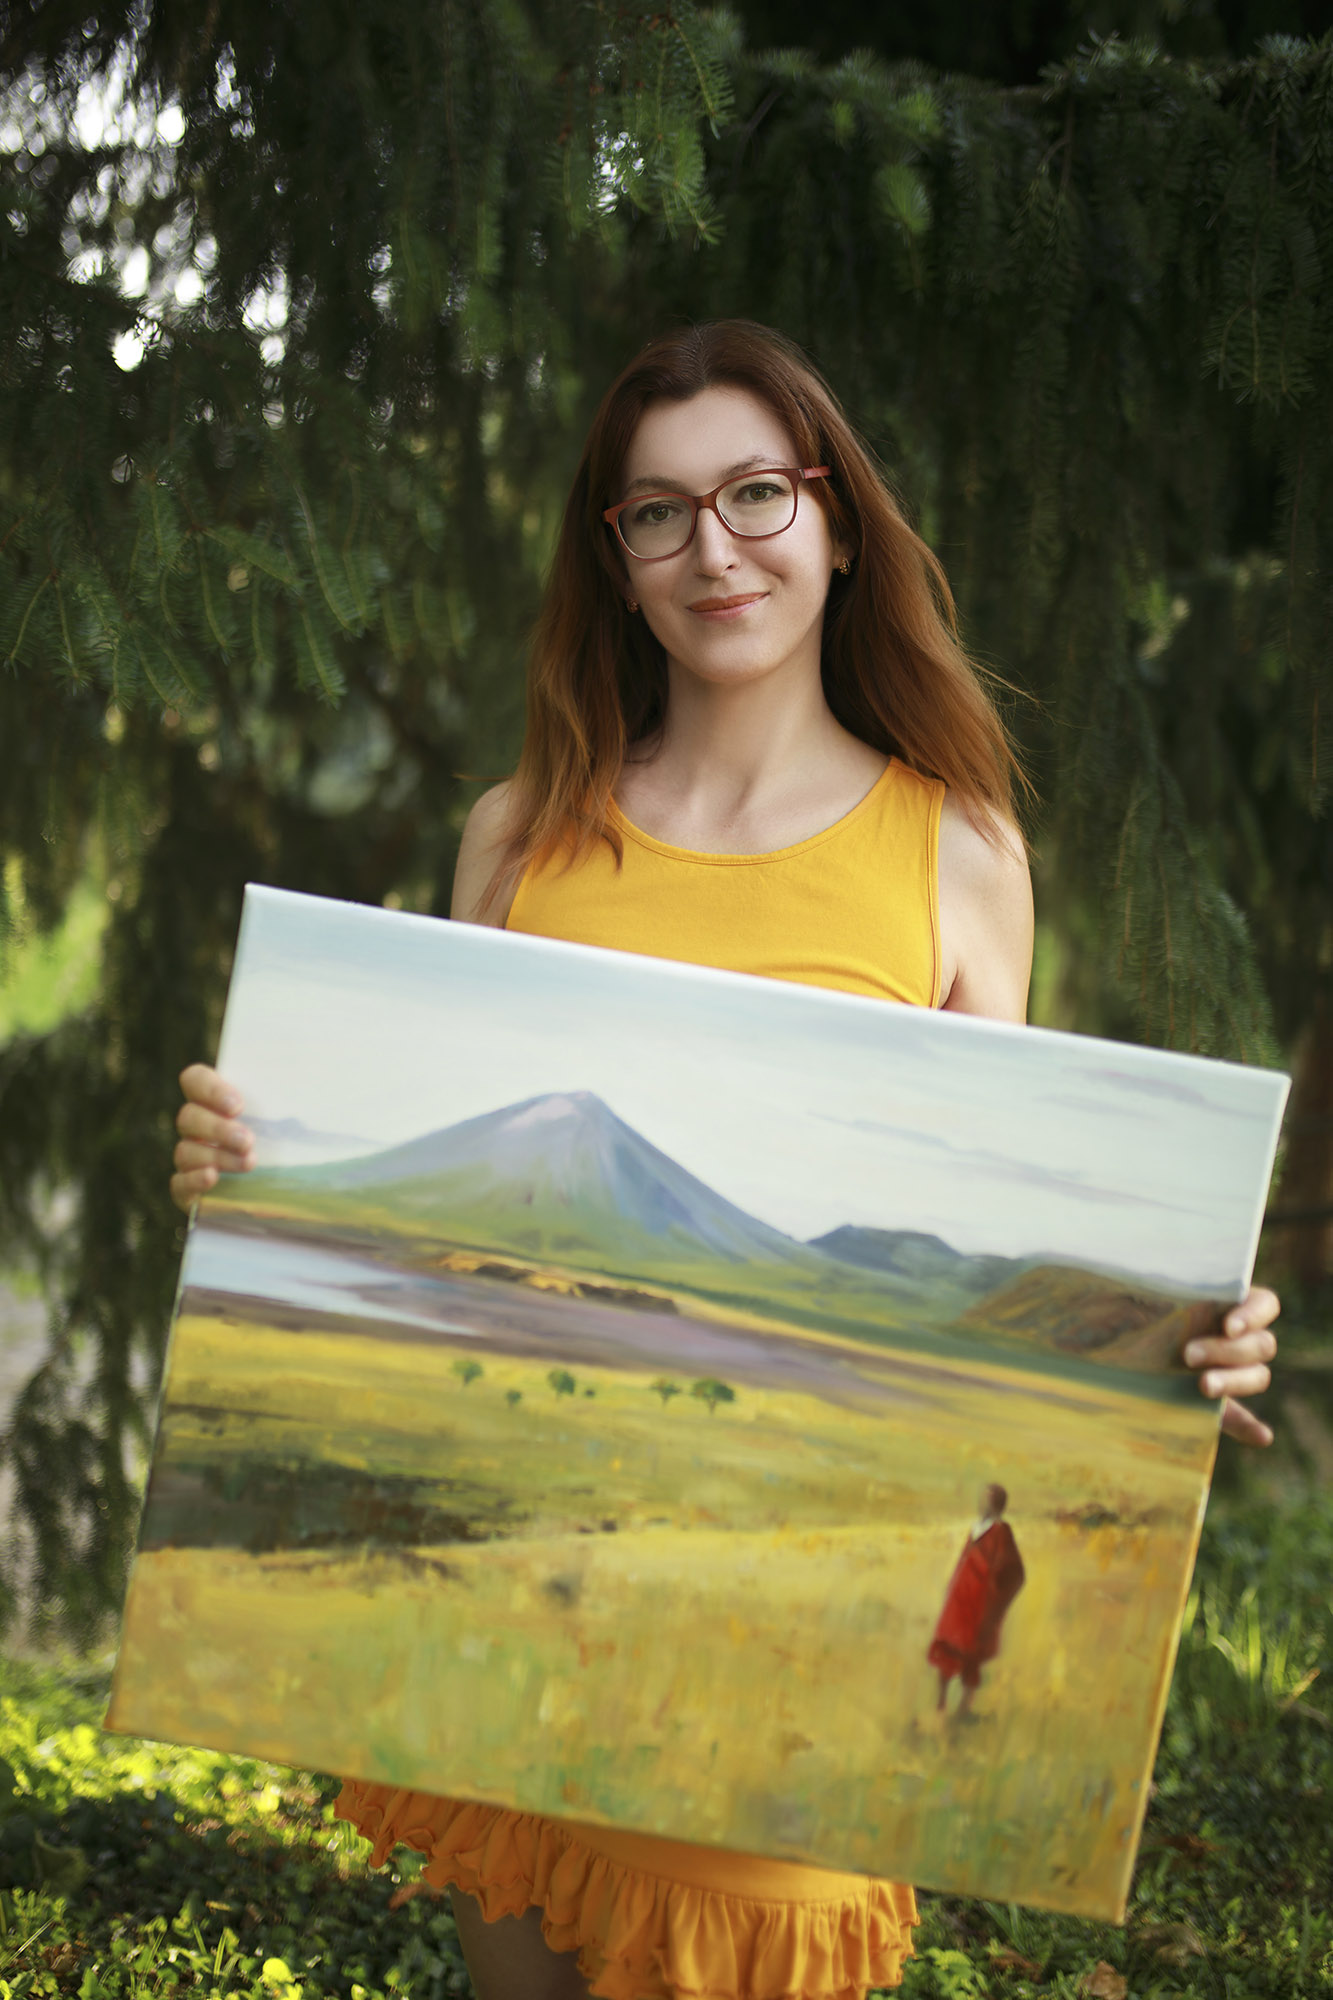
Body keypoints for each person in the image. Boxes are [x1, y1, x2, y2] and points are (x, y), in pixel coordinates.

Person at [170, 321, 1281, 2000]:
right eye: (657, 512)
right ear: (612, 562)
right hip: (525, 1583)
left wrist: (1172, 1337)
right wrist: (252, 1164)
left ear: (834, 523)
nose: (715, 547)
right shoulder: (519, 832)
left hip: (789, 1669)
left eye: (756, 493)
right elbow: (425, 1192)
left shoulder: (957, 853)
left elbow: (981, 1217)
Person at [928, 1484, 1025, 1719]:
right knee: (947, 1647)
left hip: (979, 1606)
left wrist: (995, 1601)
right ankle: (940, 1706)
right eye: (982, 1498)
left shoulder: (1001, 1531)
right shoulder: (975, 1528)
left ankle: (963, 1709)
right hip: (959, 1601)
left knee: (972, 1655)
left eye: (987, 1500)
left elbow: (1016, 1573)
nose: (982, 1503)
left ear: (997, 1504)